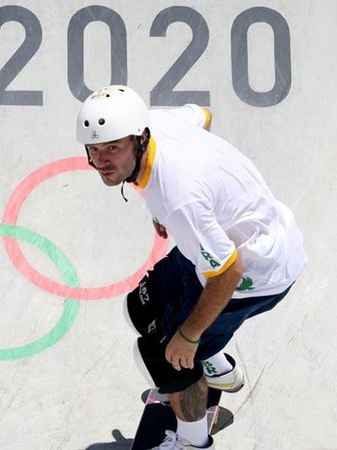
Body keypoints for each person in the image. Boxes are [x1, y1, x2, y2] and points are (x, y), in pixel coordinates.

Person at [75, 85, 307, 449]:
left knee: (164, 358)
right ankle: (222, 371)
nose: (101, 160)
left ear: (139, 139)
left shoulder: (179, 199)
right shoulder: (159, 124)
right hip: (223, 243)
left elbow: (228, 273)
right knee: (139, 310)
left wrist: (189, 336)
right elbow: (203, 115)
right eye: (94, 149)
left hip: (254, 273)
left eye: (112, 148)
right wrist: (163, 209)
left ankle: (191, 442)